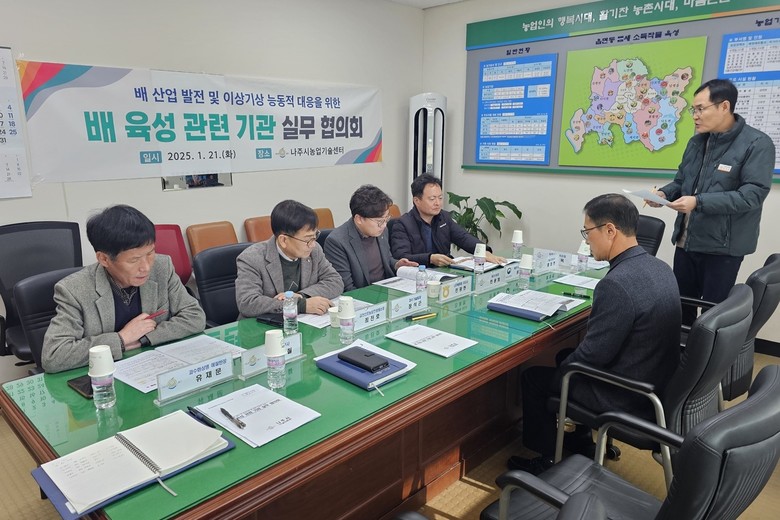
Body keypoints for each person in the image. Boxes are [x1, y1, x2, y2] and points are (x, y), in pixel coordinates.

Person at [509, 194, 681, 474]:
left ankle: (545, 460)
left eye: (588, 232)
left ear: (610, 230)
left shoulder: (617, 284)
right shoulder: (659, 267)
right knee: (565, 355)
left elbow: (592, 355)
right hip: (656, 381)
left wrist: (562, 374)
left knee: (535, 378)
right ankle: (581, 440)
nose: (587, 240)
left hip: (627, 395)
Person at [648, 78, 774, 323]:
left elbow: (752, 196)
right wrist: (663, 194)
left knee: (713, 316)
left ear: (724, 106)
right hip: (686, 242)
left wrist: (698, 202)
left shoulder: (757, 144)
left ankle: (702, 351)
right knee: (680, 308)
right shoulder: (697, 142)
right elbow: (682, 181)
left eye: (700, 109)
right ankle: (679, 350)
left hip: (722, 248)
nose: (695, 116)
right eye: (693, 109)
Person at [42, 205, 206, 373]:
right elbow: (54, 356)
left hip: (154, 369)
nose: (146, 267)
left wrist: (143, 339)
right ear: (104, 259)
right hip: (103, 377)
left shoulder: (162, 267)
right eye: (134, 260)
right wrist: (121, 339)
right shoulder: (74, 290)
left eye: (150, 253)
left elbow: (195, 316)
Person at [235, 199, 343, 318]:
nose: (312, 244)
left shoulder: (314, 250)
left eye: (314, 236)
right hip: (263, 325)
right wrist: (300, 305)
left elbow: (335, 281)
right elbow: (247, 303)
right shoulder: (251, 258)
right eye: (307, 239)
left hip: (302, 322)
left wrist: (301, 296)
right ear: (283, 240)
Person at [390, 173, 505, 267]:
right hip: (418, 275)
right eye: (432, 199)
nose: (437, 203)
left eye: (440, 198)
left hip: (443, 273)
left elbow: (463, 237)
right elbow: (401, 257)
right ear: (417, 201)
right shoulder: (402, 224)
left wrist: (483, 251)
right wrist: (430, 259)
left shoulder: (443, 217)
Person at [323, 185, 417, 291]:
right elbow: (346, 288)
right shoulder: (337, 241)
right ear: (359, 219)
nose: (384, 225)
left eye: (386, 218)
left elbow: (386, 260)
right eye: (380, 221)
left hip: (386, 290)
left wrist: (396, 264)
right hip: (362, 295)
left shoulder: (381, 230)